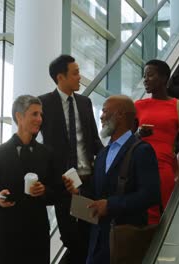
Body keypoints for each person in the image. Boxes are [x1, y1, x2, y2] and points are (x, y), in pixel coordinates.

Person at [63, 95, 161, 264]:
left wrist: (110, 205)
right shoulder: (102, 154)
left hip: (125, 244)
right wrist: (78, 191)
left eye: (105, 111)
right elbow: (97, 192)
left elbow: (151, 195)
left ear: (120, 114)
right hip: (98, 244)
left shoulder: (142, 150)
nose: (101, 116)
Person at [39, 54, 103, 263]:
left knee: (88, 233)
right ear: (60, 77)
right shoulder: (44, 103)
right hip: (63, 184)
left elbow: (94, 140)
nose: (80, 77)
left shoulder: (85, 103)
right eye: (75, 73)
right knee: (69, 236)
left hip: (87, 181)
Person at [0, 95, 57, 264]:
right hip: (7, 233)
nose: (40, 119)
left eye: (41, 115)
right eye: (34, 114)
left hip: (37, 233)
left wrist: (45, 191)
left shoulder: (47, 154)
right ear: (19, 116)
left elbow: (57, 192)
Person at [135, 59, 179, 224]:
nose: (145, 79)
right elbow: (127, 139)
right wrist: (139, 134)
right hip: (139, 166)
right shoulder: (138, 105)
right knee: (142, 215)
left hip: (164, 167)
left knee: (165, 213)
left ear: (164, 78)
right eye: (144, 76)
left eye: (150, 75)